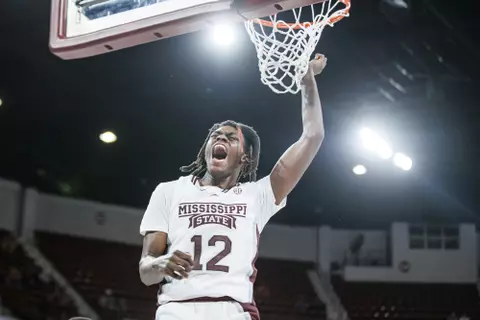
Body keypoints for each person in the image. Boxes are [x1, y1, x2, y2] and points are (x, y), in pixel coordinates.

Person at [139, 54, 327, 320]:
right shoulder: (168, 191)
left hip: (233, 311)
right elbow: (146, 272)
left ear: (245, 157)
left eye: (230, 138)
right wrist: (160, 263)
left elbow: (313, 136)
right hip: (175, 309)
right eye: (215, 136)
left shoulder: (258, 196)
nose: (220, 138)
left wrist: (307, 78)